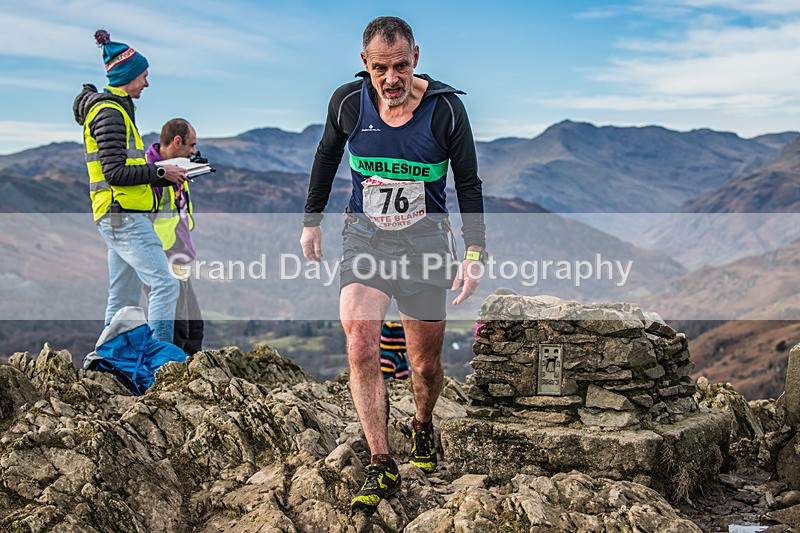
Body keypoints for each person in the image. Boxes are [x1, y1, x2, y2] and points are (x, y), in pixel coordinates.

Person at [300, 16, 487, 512]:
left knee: (424, 364)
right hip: (366, 238)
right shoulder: (347, 102)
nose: (391, 78)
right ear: (365, 63)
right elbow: (326, 156)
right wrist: (311, 221)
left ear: (416, 58)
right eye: (380, 68)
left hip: (426, 243)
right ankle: (381, 463)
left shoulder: (446, 110)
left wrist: (474, 253)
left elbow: (468, 183)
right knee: (360, 344)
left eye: (401, 66)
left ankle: (422, 424)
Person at [73, 30, 187, 342]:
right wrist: (161, 172)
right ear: (128, 75)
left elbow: (122, 169)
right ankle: (160, 361)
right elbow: (115, 173)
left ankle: (107, 360)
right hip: (123, 215)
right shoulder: (110, 113)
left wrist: (162, 174)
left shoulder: (116, 110)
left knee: (122, 299)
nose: (147, 83)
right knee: (165, 284)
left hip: (118, 214)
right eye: (144, 76)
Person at [145, 119, 204, 355]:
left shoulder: (178, 166)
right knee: (179, 329)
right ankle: (171, 370)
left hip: (179, 255)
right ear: (177, 141)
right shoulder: (150, 172)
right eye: (192, 145)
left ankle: (192, 371)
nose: (194, 151)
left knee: (194, 327)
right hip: (162, 256)